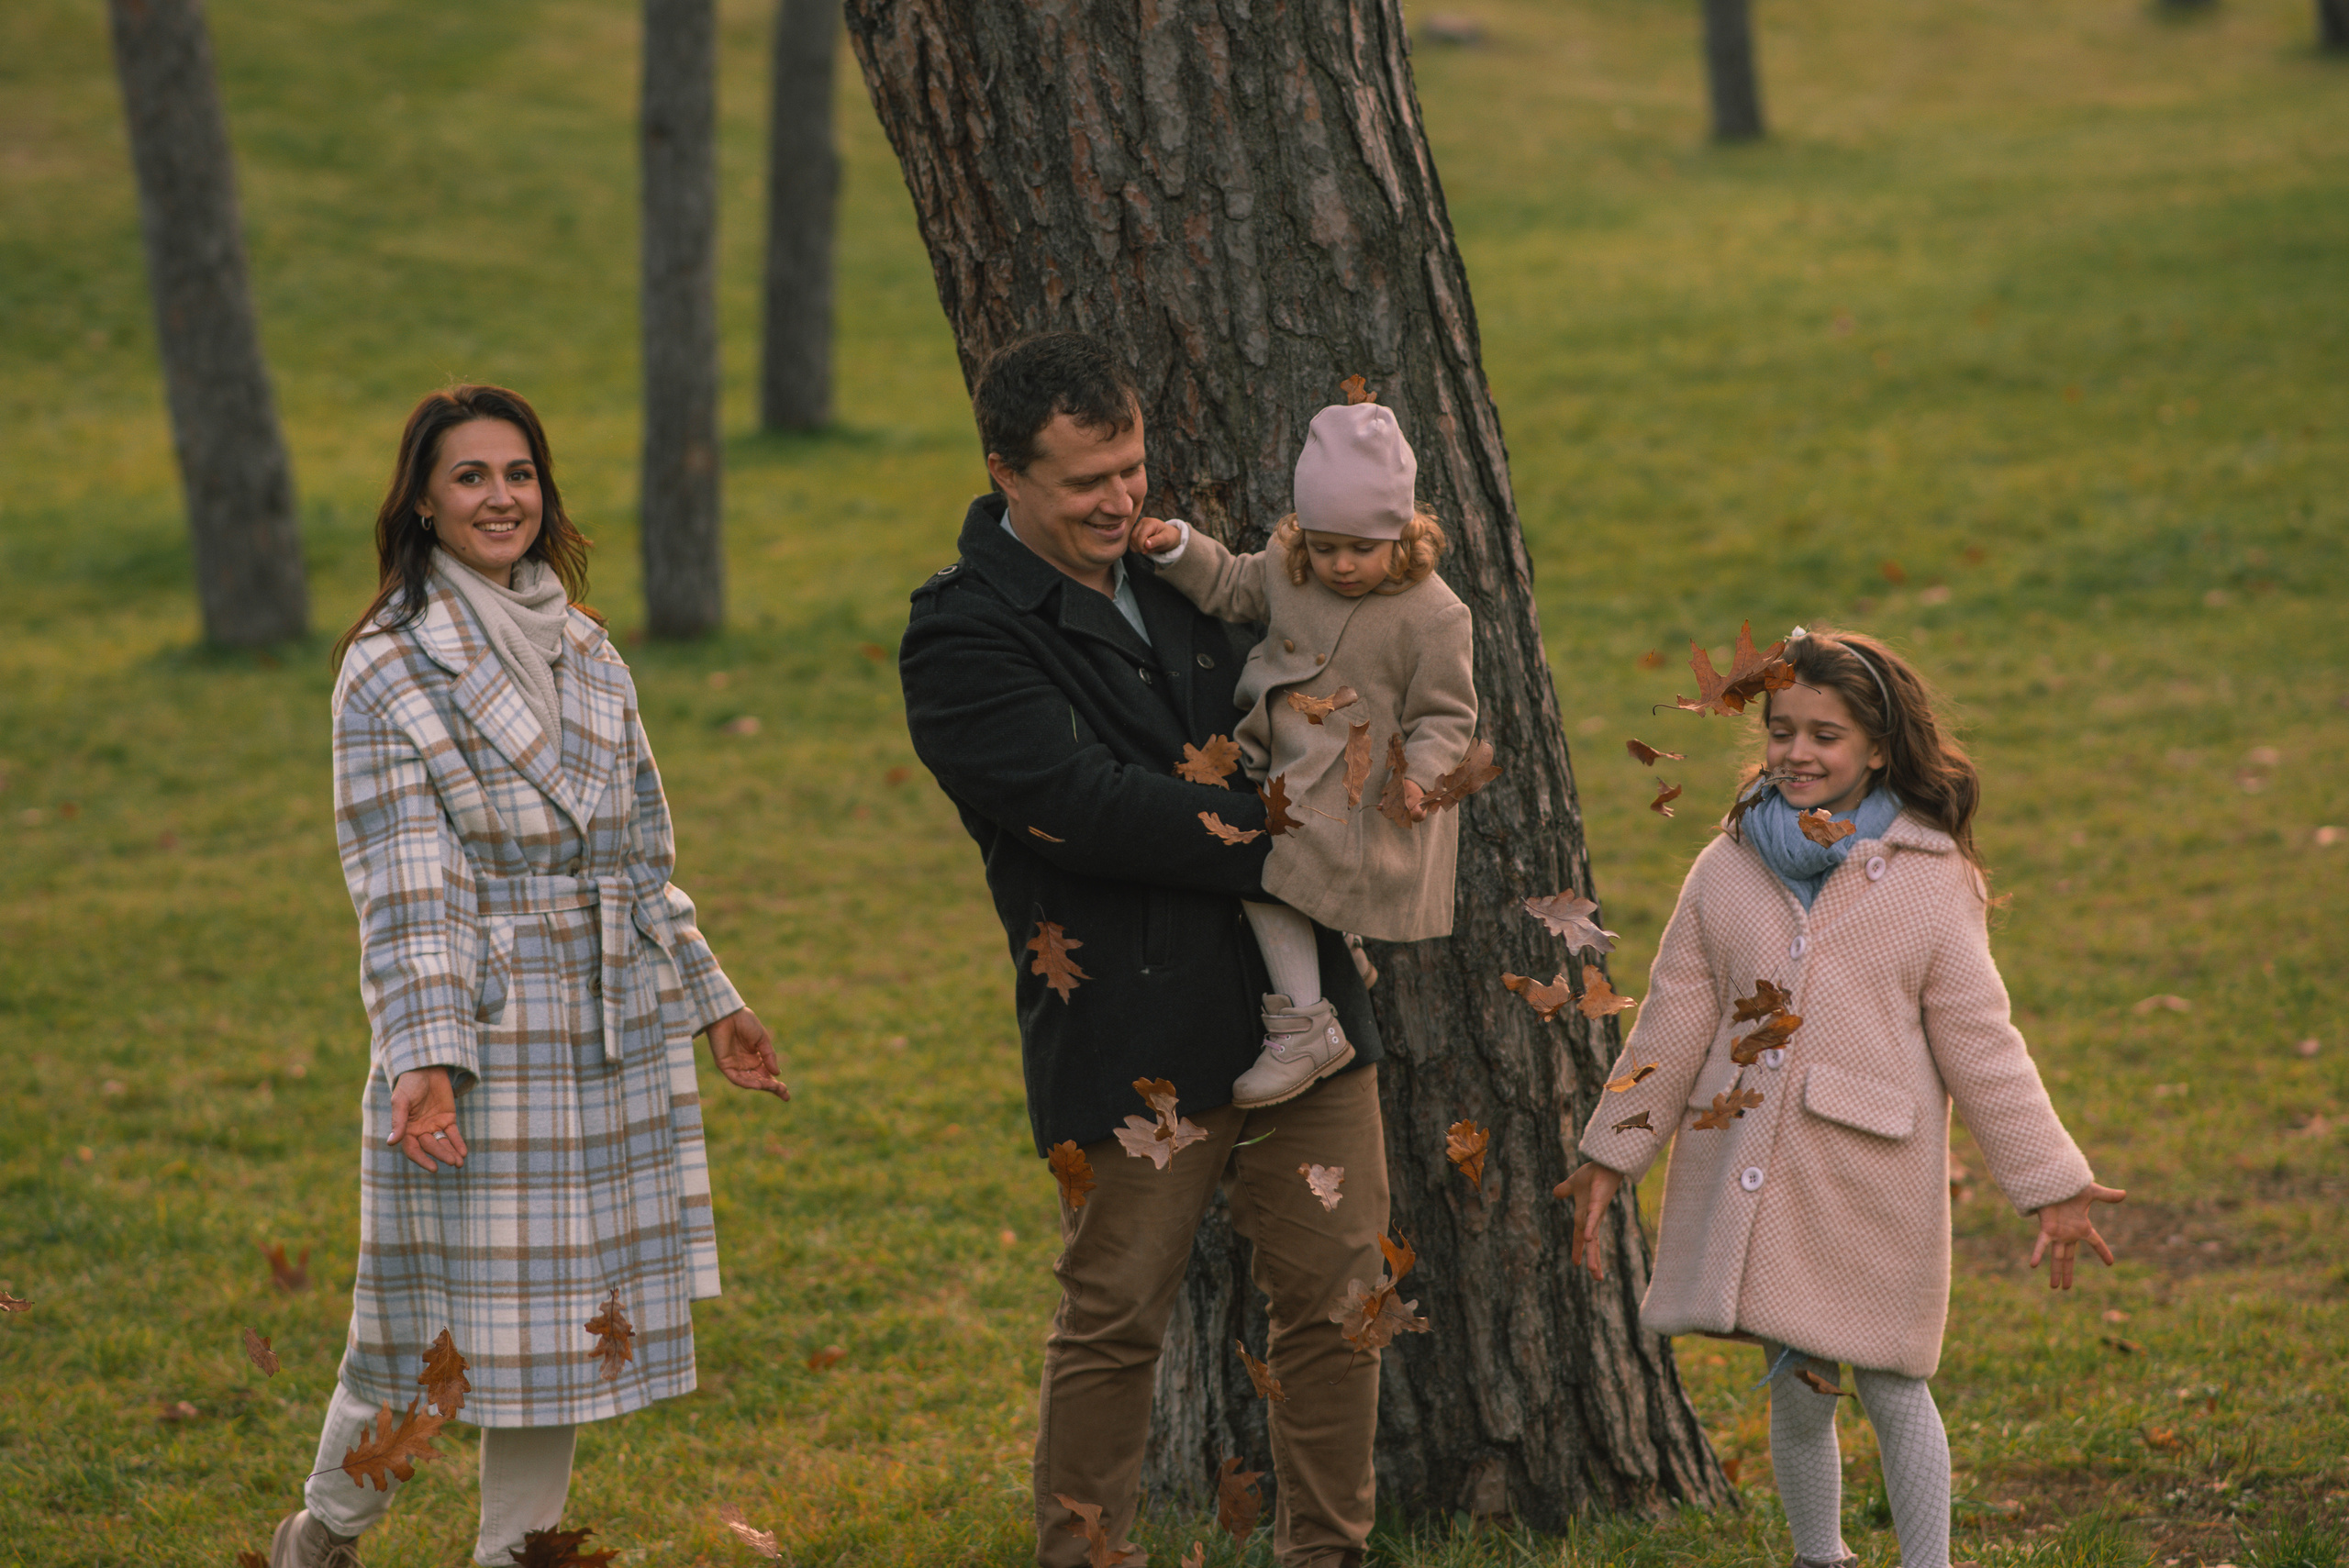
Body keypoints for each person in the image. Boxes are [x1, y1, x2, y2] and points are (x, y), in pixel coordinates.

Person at [898, 332, 1390, 1568]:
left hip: (1310, 1022)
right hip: (1130, 1035)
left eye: (1129, 466)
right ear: (1005, 473)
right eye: (1084, 482)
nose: (1119, 499)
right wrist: (1288, 832)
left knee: (1340, 1307)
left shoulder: (1193, 573)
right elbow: (1081, 805)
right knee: (1115, 1318)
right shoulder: (963, 637)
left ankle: (1326, 1554)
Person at [272, 385, 785, 1568]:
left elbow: (640, 858)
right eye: (469, 476)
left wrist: (715, 999)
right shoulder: (391, 668)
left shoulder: (589, 647)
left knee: (557, 1327)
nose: (499, 496)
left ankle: (513, 1554)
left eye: (518, 473)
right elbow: (405, 890)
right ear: (422, 501)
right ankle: (329, 1528)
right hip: (481, 1034)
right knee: (421, 1339)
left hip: (603, 1031)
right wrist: (428, 1061)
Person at [1554, 626, 2124, 1568]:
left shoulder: (1932, 878)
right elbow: (1670, 1019)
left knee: (1894, 1378)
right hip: (1758, 1167)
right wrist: (1612, 1148)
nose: (1798, 751)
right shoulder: (1726, 865)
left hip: (1868, 1173)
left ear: (1877, 748)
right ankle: (1820, 1555)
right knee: (1798, 1381)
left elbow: (1980, 1042)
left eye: (1825, 733)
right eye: (1781, 729)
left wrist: (2050, 1179)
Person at [1130, 387, 1475, 1108]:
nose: (1342, 565)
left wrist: (1422, 775)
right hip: (1287, 766)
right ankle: (1330, 941)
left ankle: (1307, 1023)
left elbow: (1446, 714)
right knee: (1271, 853)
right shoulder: (1292, 567)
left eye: (1361, 549)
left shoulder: (1435, 614)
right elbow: (1233, 586)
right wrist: (1182, 548)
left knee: (1259, 861)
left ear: (1404, 535)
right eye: (1326, 547)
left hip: (1361, 794)